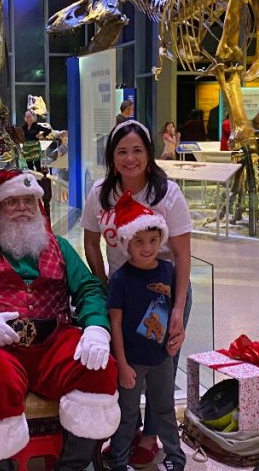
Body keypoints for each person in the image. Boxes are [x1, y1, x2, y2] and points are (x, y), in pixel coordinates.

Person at [0, 170, 119, 470]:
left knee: (99, 366)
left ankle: (73, 464)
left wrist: (95, 328)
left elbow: (89, 288)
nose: (23, 207)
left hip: (54, 342)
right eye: (12, 202)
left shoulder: (60, 247)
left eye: (29, 200)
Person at [80, 120, 192, 464]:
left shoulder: (166, 192)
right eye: (122, 152)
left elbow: (182, 254)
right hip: (124, 291)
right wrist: (104, 284)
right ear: (112, 158)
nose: (130, 158)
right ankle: (126, 431)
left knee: (159, 365)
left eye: (137, 150)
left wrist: (177, 309)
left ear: (149, 153)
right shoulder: (101, 192)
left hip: (162, 293)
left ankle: (151, 436)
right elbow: (90, 241)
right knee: (125, 364)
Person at [105, 192, 184, 471]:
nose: (147, 248)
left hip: (161, 357)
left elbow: (174, 313)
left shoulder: (167, 271)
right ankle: (118, 460)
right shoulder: (120, 280)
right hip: (132, 361)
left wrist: (174, 340)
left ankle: (176, 458)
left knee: (164, 410)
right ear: (127, 242)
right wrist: (122, 365)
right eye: (139, 242)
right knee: (127, 413)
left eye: (152, 240)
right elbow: (115, 324)